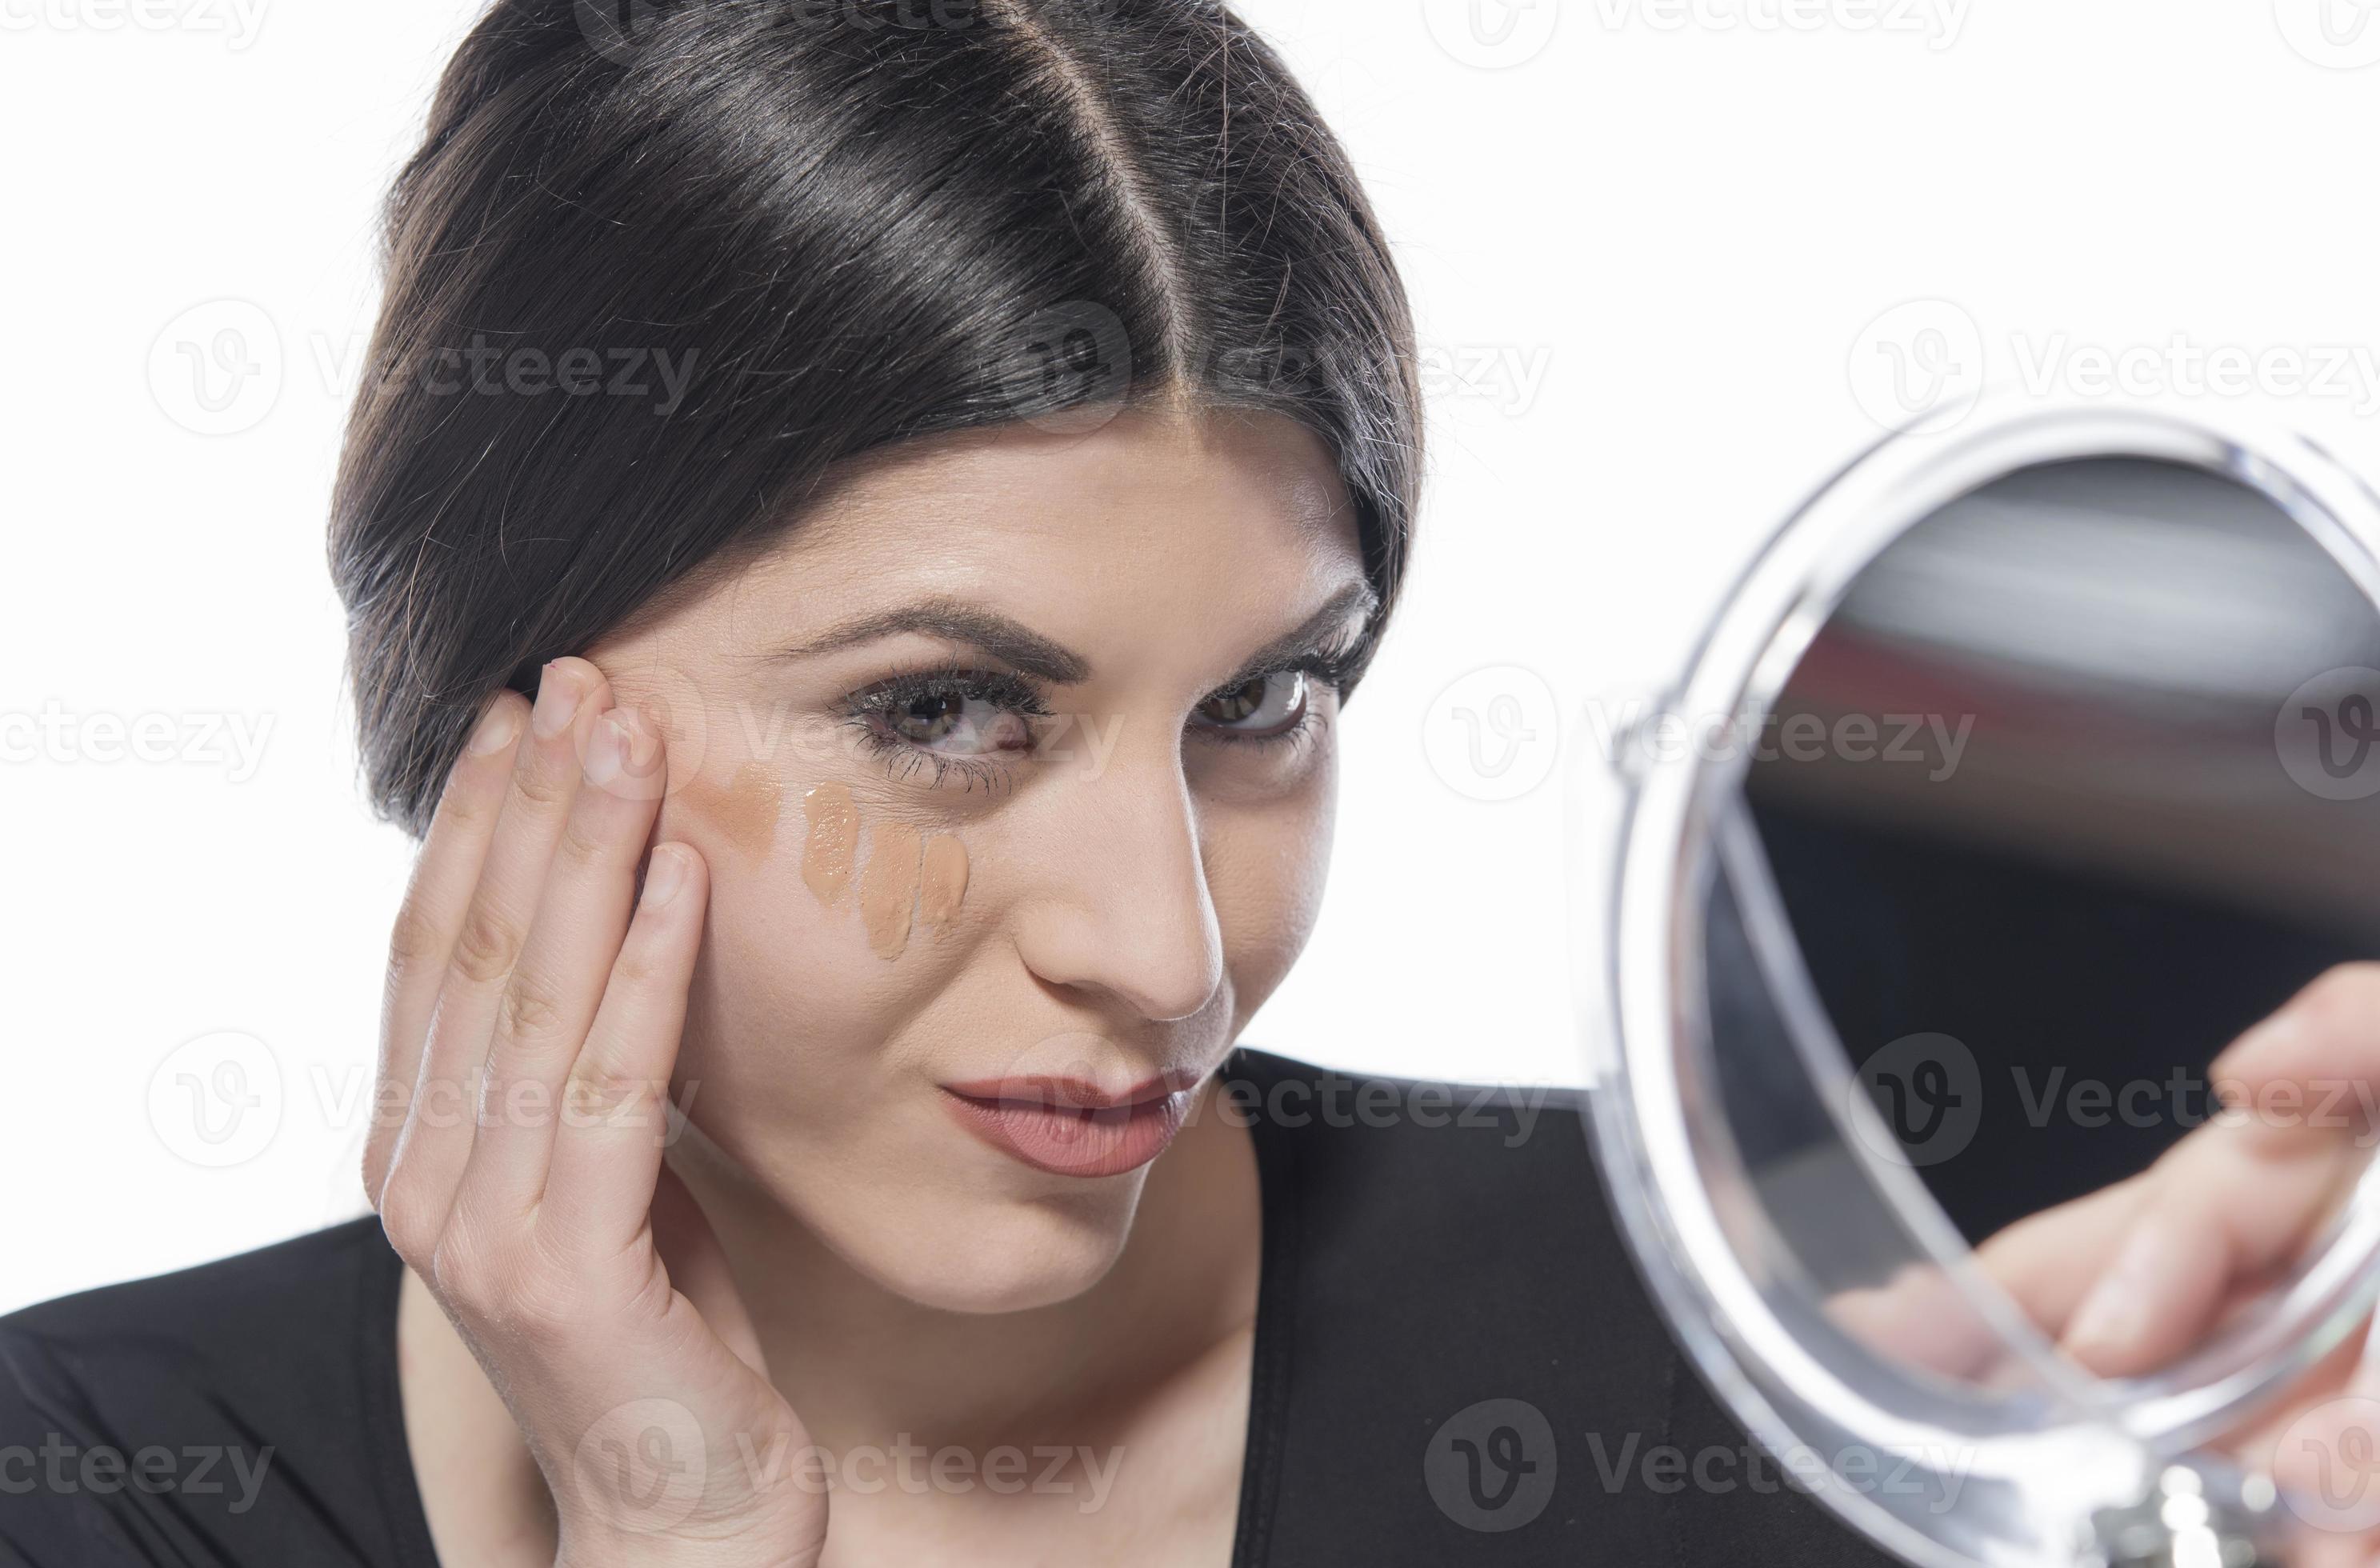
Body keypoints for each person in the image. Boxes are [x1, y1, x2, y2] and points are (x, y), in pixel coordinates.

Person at [5, 2, 2377, 1564]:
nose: (1167, 948)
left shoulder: (1779, 1391)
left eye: (1264, 705)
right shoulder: (103, 1489)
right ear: (495, 717)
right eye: (943, 712)